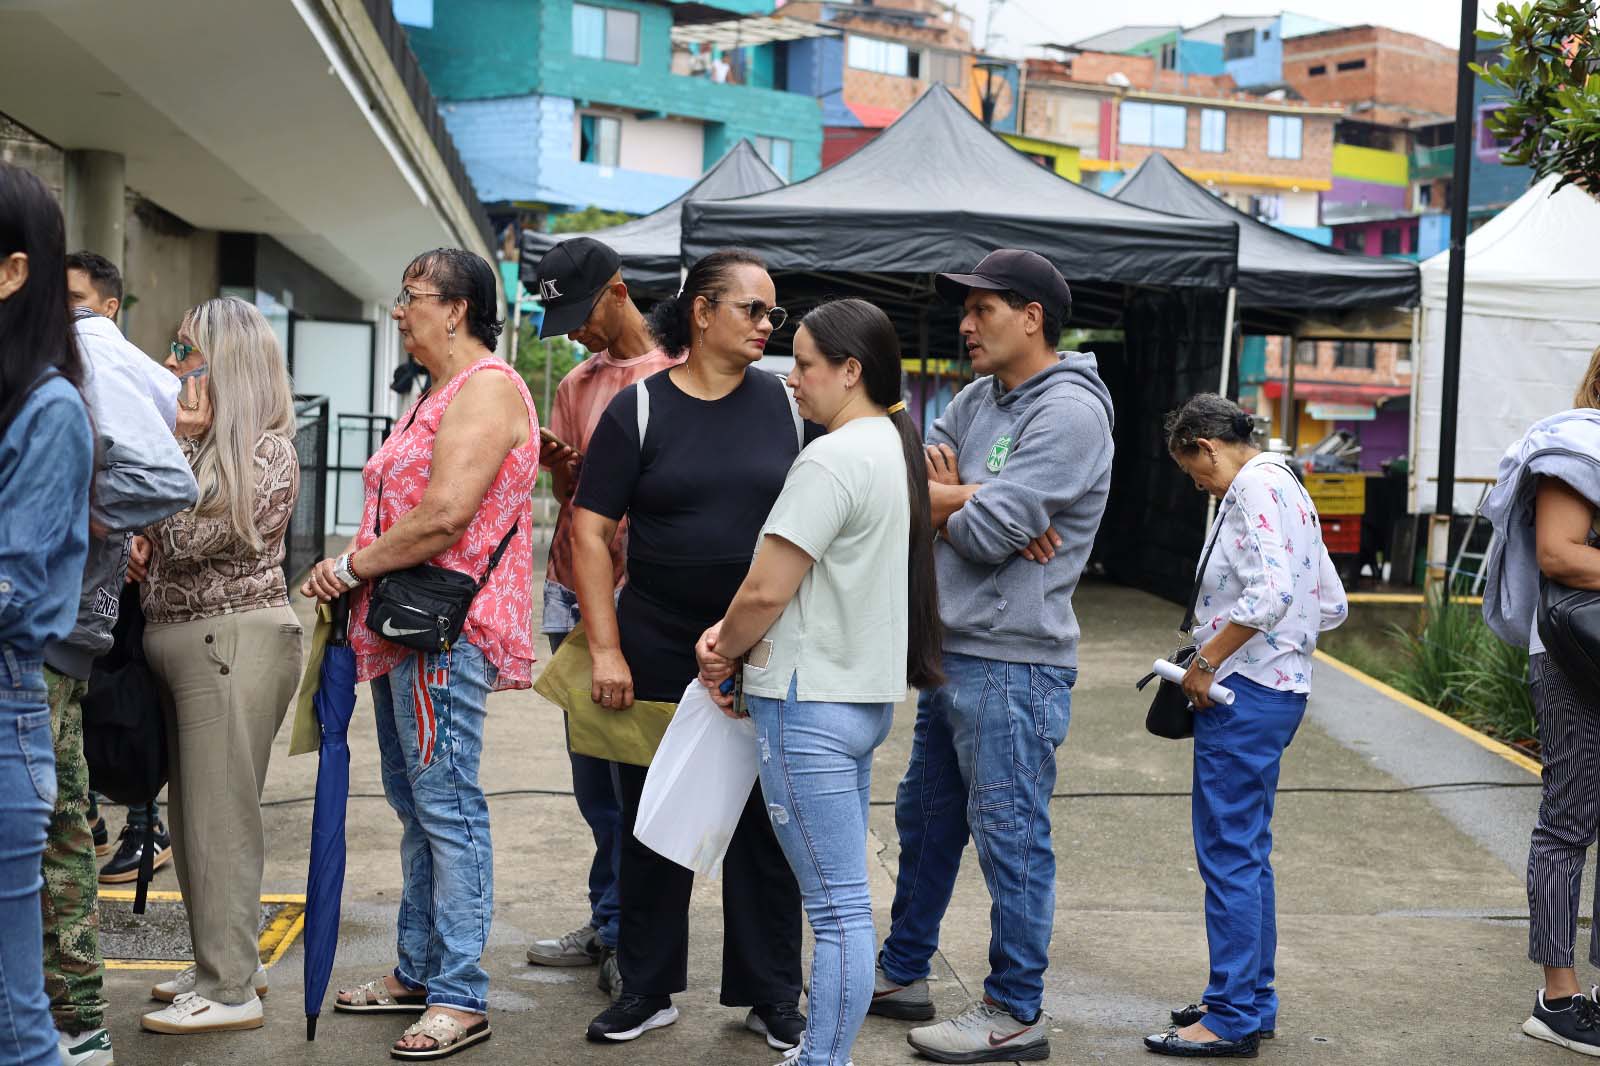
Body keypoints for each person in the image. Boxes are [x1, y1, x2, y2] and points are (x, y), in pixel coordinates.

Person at [871, 249, 1112, 1064]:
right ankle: (903, 973)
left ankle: (1016, 1011)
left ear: (1032, 316)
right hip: (954, 649)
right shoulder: (978, 399)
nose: (965, 325)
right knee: (926, 819)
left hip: (1016, 662)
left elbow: (979, 531)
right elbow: (905, 483)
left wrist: (953, 499)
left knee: (1009, 835)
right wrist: (969, 499)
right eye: (964, 311)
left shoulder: (1071, 413)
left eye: (982, 310)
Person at [694, 299, 942, 1066]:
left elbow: (767, 589)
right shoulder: (888, 448)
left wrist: (721, 648)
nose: (790, 377)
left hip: (808, 704)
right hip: (857, 700)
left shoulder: (832, 456)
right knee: (841, 907)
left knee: (836, 912)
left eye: (803, 363)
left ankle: (820, 1058)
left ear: (850, 371)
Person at [305, 247, 538, 1061]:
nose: (399, 311)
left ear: (459, 308)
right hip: (405, 626)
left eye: (411, 297)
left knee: (446, 806)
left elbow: (444, 515)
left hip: (445, 632)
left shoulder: (486, 389)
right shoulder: (439, 393)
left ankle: (460, 993)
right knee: (416, 804)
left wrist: (346, 566)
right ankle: (417, 970)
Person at [571, 249, 805, 1049]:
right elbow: (591, 533)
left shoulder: (789, 407)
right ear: (702, 312)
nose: (768, 326)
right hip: (658, 642)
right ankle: (648, 987)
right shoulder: (638, 410)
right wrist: (606, 650)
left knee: (767, 826)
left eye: (774, 314)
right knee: (651, 819)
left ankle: (771, 992)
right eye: (754, 310)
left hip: (764, 645)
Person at [1143, 393, 1346, 1058]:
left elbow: (1271, 593)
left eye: (1193, 472)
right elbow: (1330, 603)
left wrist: (1206, 662)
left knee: (1228, 854)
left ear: (1205, 445)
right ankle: (1250, 999)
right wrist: (1280, 648)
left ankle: (1229, 1016)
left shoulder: (1251, 489)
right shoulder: (1289, 482)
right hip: (1281, 691)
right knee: (1247, 855)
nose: (1198, 485)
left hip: (1242, 696)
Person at [131, 296, 303, 1037]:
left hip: (231, 643)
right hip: (185, 641)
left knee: (220, 820)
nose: (172, 366)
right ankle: (219, 961)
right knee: (192, 816)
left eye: (185, 353)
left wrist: (173, 450)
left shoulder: (265, 451)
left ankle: (232, 988)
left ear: (224, 366)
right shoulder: (200, 449)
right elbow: (153, 524)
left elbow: (201, 534)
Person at [42, 253, 196, 1066]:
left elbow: (163, 478)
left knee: (57, 823)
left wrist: (78, 520)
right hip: (61, 628)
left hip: (51, 633)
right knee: (54, 821)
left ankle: (74, 1019)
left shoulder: (84, 349)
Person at [523, 237, 682, 985]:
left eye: (582, 314)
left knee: (632, 779)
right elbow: (577, 500)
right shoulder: (579, 383)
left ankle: (628, 932)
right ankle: (610, 916)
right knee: (592, 778)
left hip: (635, 596)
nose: (578, 332)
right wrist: (562, 469)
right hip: (569, 587)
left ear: (619, 292)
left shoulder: (676, 376)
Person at [1478, 349, 1600, 1056]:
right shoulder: (1576, 444)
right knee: (1568, 822)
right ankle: (1557, 997)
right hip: (1573, 658)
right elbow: (1560, 553)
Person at [0, 161, 95, 1066]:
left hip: (7, 710)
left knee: (14, 1024)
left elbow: (17, 593)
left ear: (11, 270)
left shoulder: (48, 409)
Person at [63, 250, 180, 886]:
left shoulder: (113, 365)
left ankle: (143, 822)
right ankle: (97, 818)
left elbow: (163, 475)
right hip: (93, 591)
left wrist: (109, 522)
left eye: (78, 301)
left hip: (115, 588)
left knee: (126, 701)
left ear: (108, 310)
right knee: (86, 717)